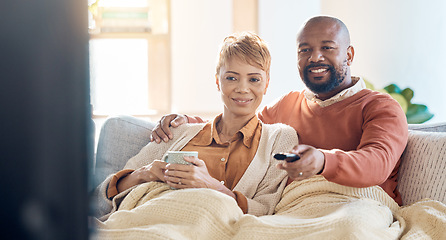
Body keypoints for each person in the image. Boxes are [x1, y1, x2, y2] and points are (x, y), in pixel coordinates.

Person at [150, 16, 408, 205]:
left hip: (360, 205)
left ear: (349, 55)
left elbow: (377, 163)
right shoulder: (289, 104)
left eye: (327, 48)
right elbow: (244, 126)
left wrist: (322, 161)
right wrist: (185, 122)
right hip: (294, 208)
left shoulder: (380, 106)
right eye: (305, 50)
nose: (315, 57)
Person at [93, 32, 299, 219]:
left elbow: (266, 211)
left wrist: (210, 185)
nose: (243, 89)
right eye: (231, 78)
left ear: (266, 84)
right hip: (150, 218)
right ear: (218, 82)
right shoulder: (179, 131)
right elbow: (100, 200)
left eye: (254, 79)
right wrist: (145, 173)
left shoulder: (280, 138)